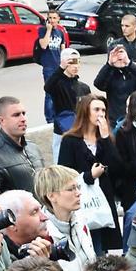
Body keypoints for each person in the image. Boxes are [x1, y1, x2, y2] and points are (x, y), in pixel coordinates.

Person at [56, 93, 121, 253]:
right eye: (96, 109)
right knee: (89, 246)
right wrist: (89, 176)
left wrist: (105, 137)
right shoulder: (70, 140)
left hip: (103, 202)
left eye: (103, 110)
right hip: (82, 201)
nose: (101, 114)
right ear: (86, 111)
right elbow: (64, 173)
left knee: (103, 249)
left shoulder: (105, 138)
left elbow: (117, 167)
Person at [34, 163, 98, 271]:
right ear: (51, 196)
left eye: (78, 187)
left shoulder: (80, 219)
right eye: (71, 189)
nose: (78, 193)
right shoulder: (42, 234)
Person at [0, 96, 44, 194]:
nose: (23, 119)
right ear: (2, 121)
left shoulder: (33, 148)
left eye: (24, 113)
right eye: (16, 115)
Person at [93, 43, 136, 132]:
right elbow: (98, 84)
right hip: (114, 118)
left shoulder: (133, 71)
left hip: (134, 117)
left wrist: (129, 63)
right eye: (115, 53)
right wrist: (109, 64)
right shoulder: (110, 73)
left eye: (121, 53)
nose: (119, 57)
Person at [35, 8, 71, 125]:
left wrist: (65, 65)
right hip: (49, 67)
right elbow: (44, 45)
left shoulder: (60, 32)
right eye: (49, 18)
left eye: (54, 18)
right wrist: (48, 30)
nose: (52, 20)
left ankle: (58, 114)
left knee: (60, 91)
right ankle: (49, 118)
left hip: (59, 66)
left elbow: (63, 50)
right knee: (49, 93)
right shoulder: (42, 30)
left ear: (58, 19)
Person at [44, 48, 90, 136]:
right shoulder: (57, 85)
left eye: (77, 62)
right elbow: (47, 87)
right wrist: (61, 68)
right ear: (64, 63)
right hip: (62, 130)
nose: (75, 66)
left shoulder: (84, 87)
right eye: (72, 62)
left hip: (81, 129)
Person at [107, 13, 136, 81]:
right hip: (117, 83)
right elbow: (110, 67)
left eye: (127, 26)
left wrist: (125, 63)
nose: (124, 28)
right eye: (122, 25)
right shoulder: (114, 45)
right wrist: (135, 65)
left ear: (135, 27)